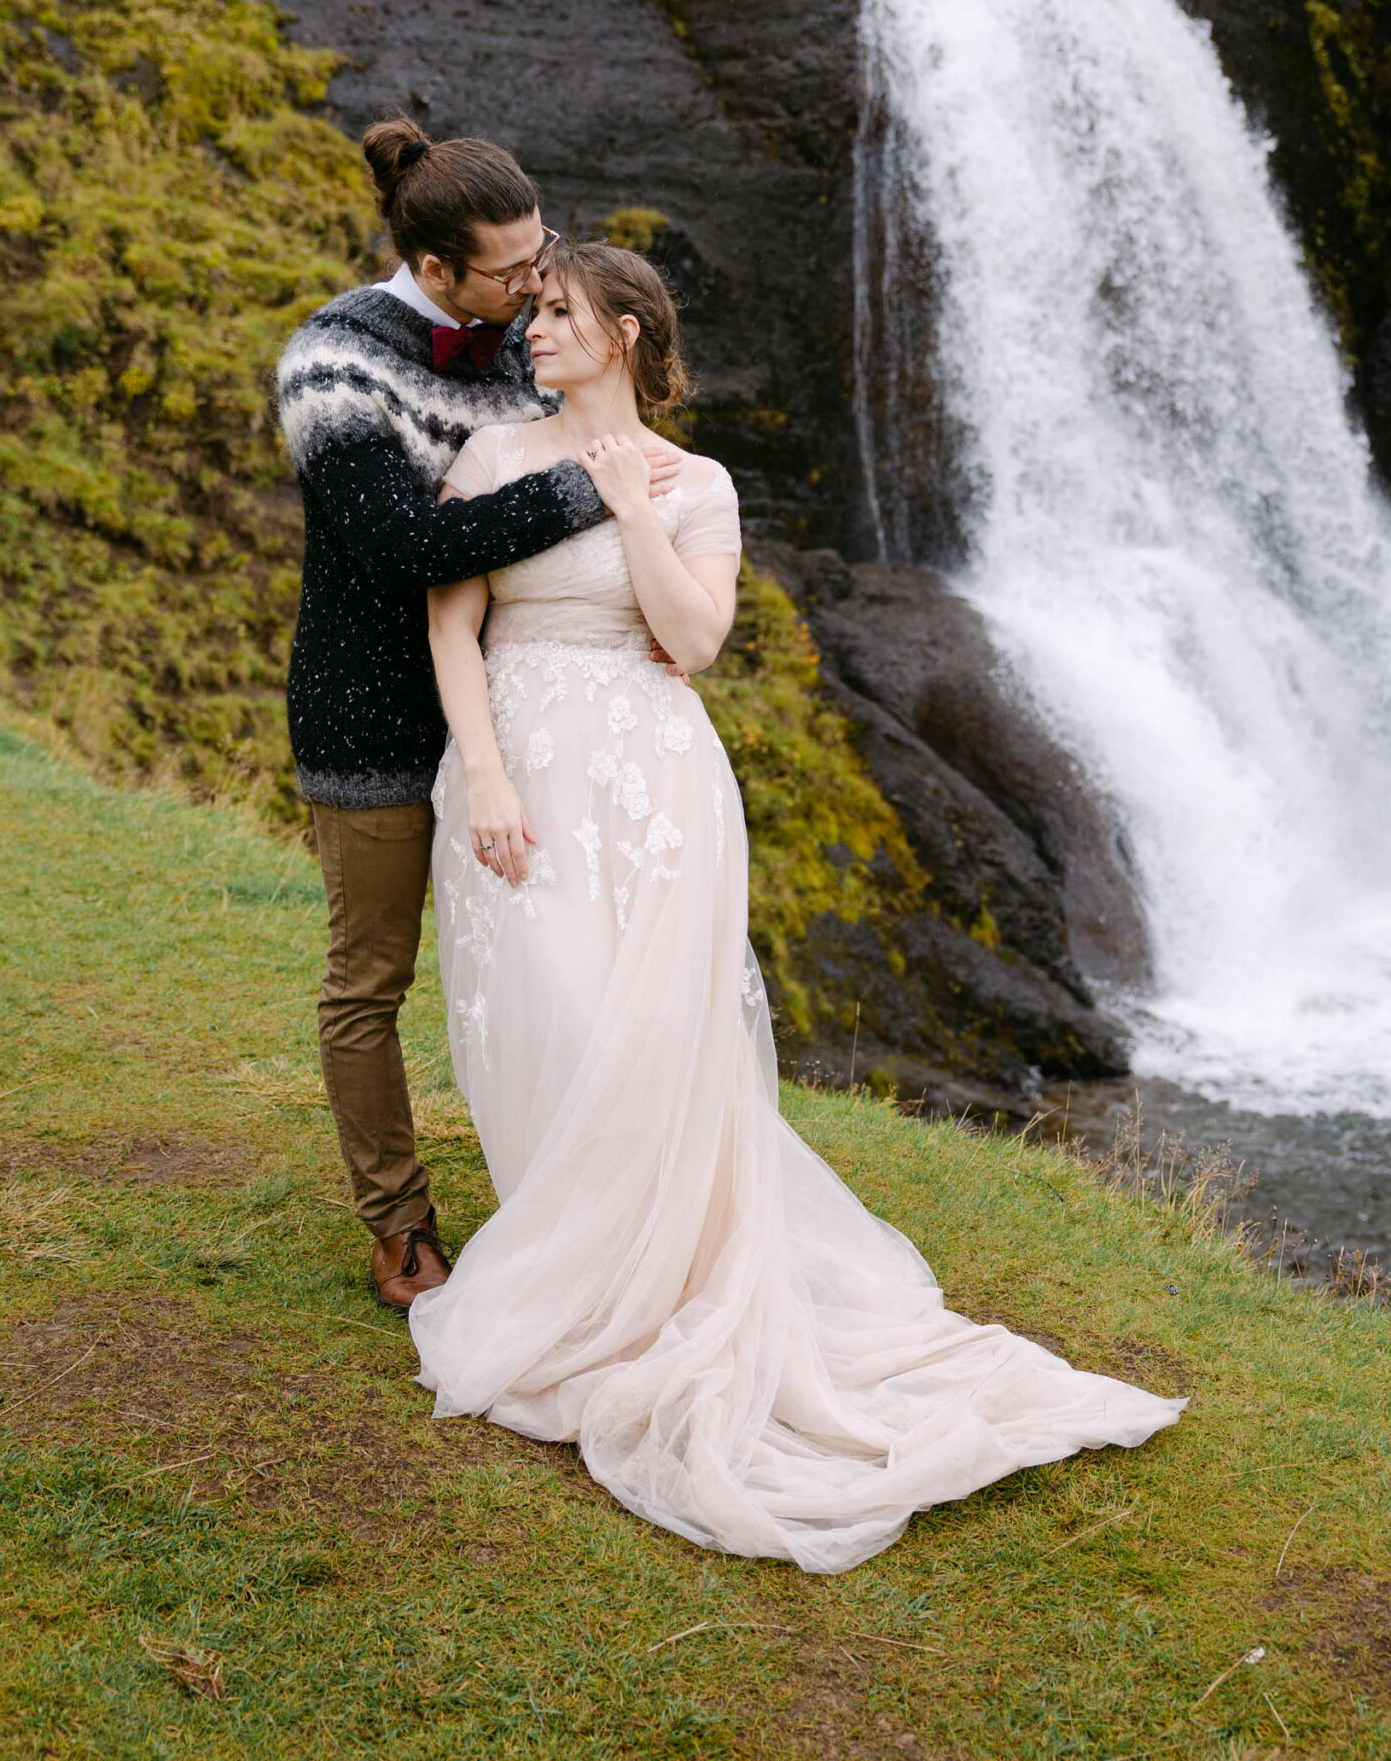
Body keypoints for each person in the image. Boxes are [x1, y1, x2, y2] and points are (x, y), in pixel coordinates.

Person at [409, 242, 1184, 1573]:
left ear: (628, 333)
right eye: (530, 312)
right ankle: (578, 1266)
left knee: (643, 1037)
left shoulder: (694, 482)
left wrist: (628, 508)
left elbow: (692, 641)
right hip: (515, 767)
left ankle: (644, 1287)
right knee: (535, 1012)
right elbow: (449, 628)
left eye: (557, 314)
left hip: (653, 781)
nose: (531, 330)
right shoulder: (484, 458)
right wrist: (479, 773)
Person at [275, 124, 681, 1312]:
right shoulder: (331, 364)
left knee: (562, 963)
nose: (534, 286)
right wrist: (578, 490)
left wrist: (638, 582)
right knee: (372, 976)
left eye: (539, 253)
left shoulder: (528, 332)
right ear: (436, 268)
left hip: (535, 716)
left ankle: (576, 1200)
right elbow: (403, 547)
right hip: (378, 718)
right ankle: (398, 1221)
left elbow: (605, 435)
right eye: (511, 272)